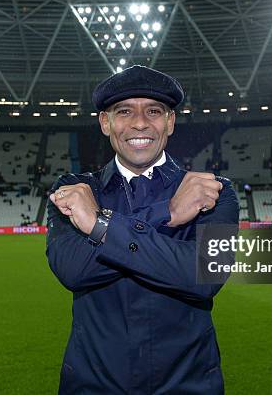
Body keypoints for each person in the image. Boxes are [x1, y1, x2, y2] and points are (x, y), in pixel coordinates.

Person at [47, 65, 239, 394]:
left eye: (153, 111)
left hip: (188, 385)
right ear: (105, 123)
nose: (139, 123)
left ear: (170, 122)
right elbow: (73, 269)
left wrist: (98, 225)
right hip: (93, 386)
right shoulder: (73, 189)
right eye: (124, 111)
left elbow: (204, 276)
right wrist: (167, 212)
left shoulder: (215, 191)